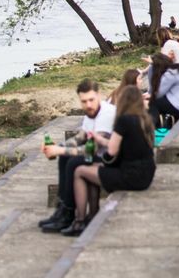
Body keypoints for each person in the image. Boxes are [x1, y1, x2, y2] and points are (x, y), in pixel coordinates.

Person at [67, 85, 157, 236]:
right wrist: (100, 139)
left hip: (130, 176)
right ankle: (92, 215)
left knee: (80, 171)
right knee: (92, 171)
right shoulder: (145, 120)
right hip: (146, 174)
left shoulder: (124, 121)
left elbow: (111, 151)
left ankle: (80, 221)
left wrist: (103, 160)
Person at [39, 79, 116, 233]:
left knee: (74, 162)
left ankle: (68, 213)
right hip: (99, 156)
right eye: (84, 101)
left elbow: (92, 149)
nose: (88, 105)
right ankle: (63, 210)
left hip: (112, 160)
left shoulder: (106, 113)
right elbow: (81, 137)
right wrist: (56, 147)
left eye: (91, 100)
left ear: (99, 95)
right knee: (65, 157)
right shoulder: (91, 112)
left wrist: (59, 150)